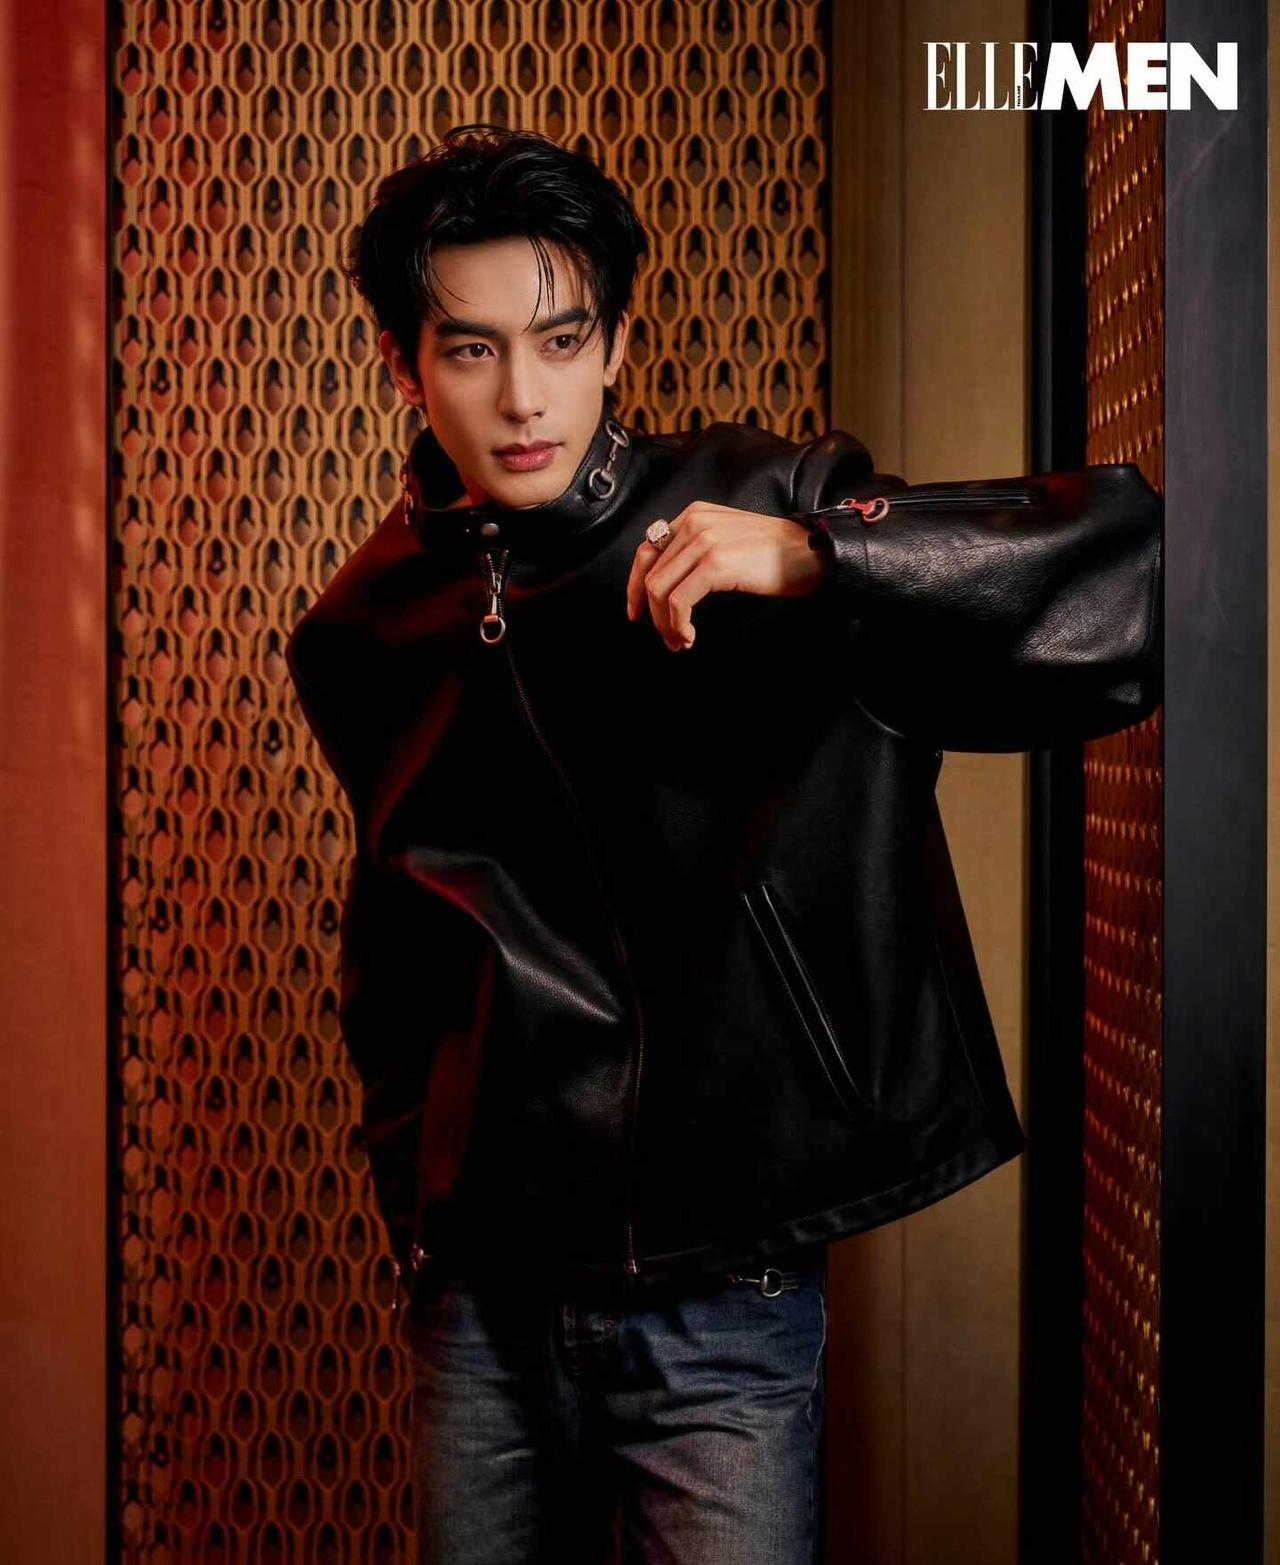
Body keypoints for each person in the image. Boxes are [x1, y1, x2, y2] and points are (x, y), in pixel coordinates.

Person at [284, 124, 1164, 1564]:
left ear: (617, 344)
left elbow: (1119, 585)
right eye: (472, 350)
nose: (524, 398)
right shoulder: (362, 630)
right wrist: (420, 1221)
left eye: (563, 341)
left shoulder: (756, 503)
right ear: (404, 364)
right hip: (483, 1299)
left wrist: (825, 555)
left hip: (720, 1298)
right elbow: (395, 958)